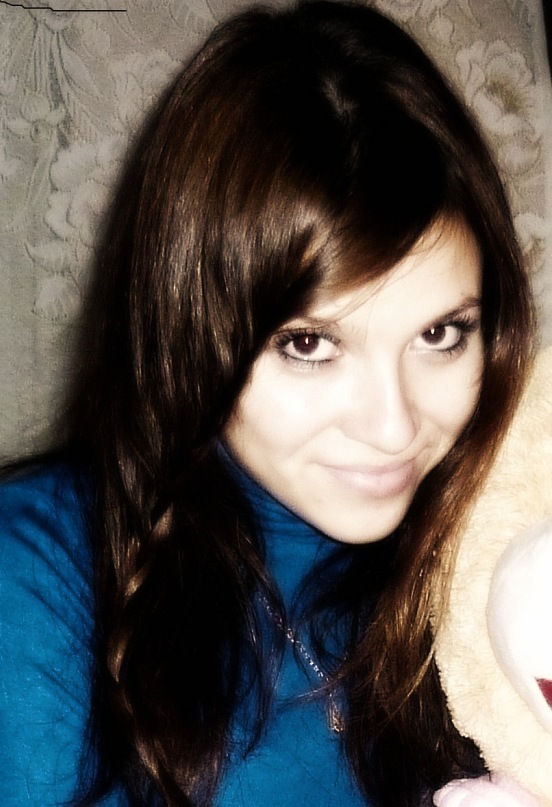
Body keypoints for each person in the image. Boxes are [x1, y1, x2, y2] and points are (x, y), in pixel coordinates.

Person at [0, 1, 535, 805]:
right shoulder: (36, 582)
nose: (392, 426)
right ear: (191, 327)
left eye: (439, 334)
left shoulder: (503, 552)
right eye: (309, 344)